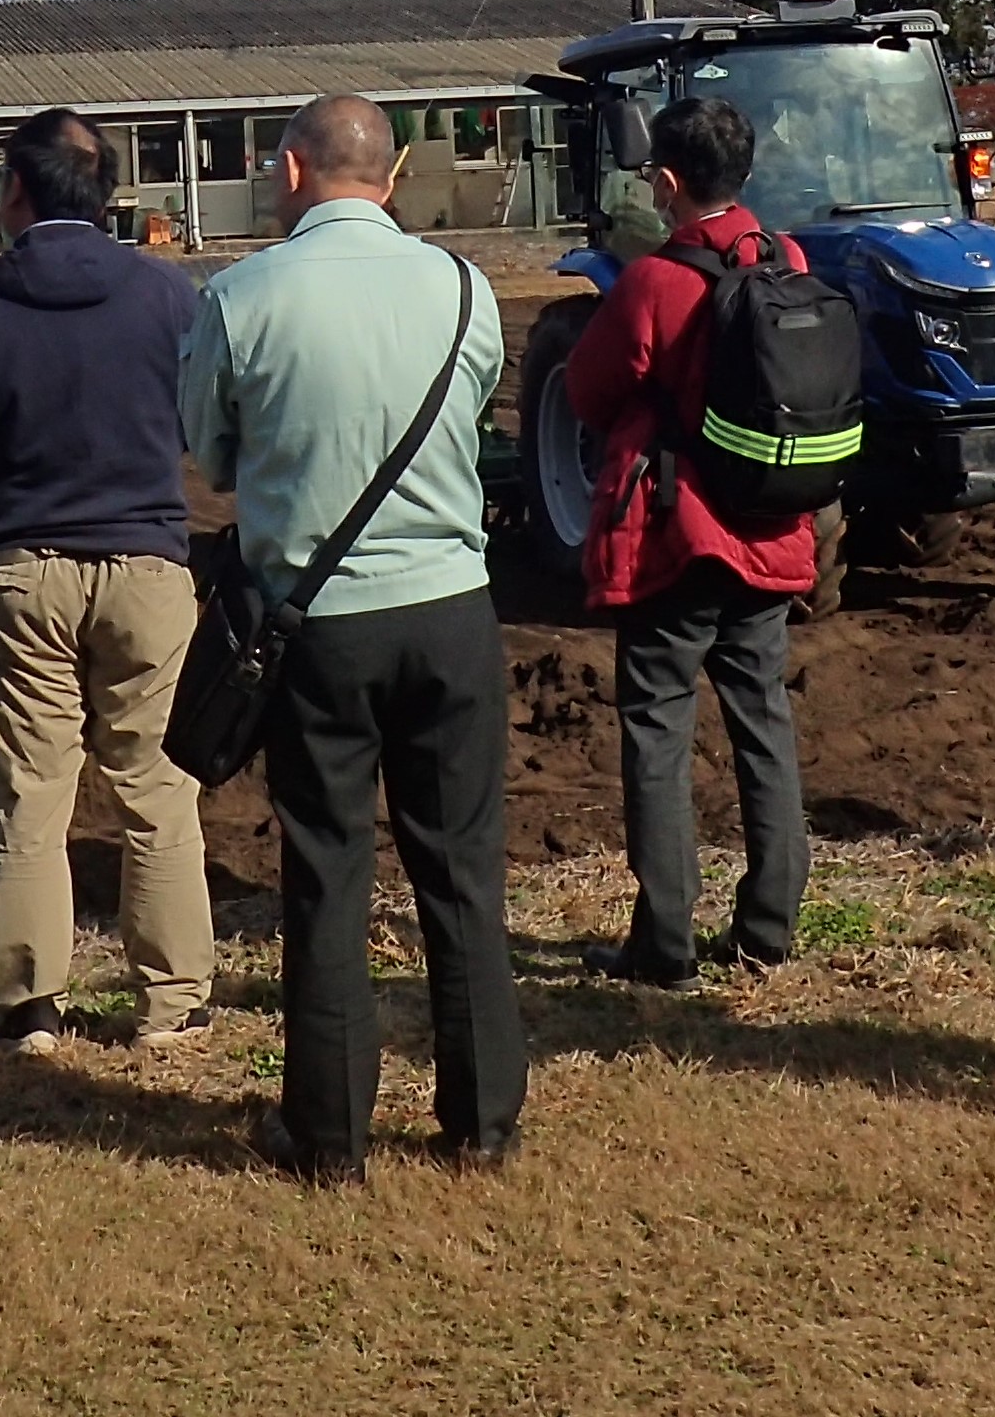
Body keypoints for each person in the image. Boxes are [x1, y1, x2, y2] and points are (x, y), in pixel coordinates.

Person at [179, 95, 523, 1182]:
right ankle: (482, 1124)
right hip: (452, 607)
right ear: (399, 168)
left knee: (325, 872)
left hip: (318, 623)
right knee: (462, 870)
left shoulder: (236, 298)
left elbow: (212, 453)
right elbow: (468, 428)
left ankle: (328, 1135)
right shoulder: (466, 290)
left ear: (287, 172)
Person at [0, 108, 213, 1052]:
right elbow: (202, 421)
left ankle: (29, 1001)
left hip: (23, 568)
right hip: (150, 566)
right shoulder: (168, 294)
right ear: (106, 193)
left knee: (31, 788)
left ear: (15, 194)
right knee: (155, 780)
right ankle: (172, 1001)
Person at [563, 96, 817, 991]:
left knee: (658, 733)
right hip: (770, 529)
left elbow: (590, 390)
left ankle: (663, 941)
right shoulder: (787, 260)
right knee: (763, 723)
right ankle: (769, 924)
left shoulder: (654, 282)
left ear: (665, 181)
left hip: (678, 536)